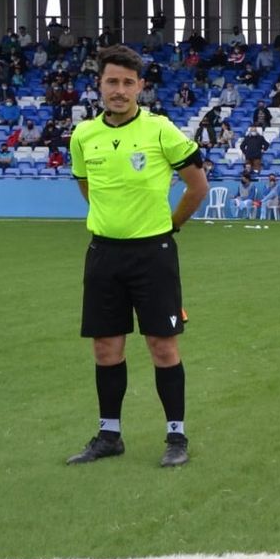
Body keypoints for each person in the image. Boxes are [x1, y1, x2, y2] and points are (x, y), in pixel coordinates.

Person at [64, 45, 210, 468]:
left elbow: (197, 186)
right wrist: (111, 220)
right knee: (106, 348)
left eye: (128, 82)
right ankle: (109, 435)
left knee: (162, 346)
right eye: (112, 81)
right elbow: (87, 187)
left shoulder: (161, 130)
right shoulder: (83, 136)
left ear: (140, 87)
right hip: (103, 254)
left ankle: (176, 437)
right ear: (99, 84)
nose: (120, 90)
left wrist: (171, 226)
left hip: (153, 254)